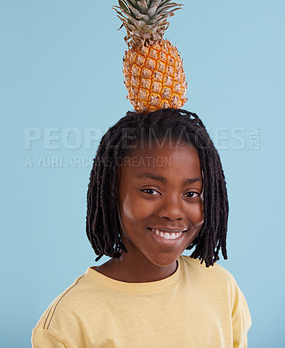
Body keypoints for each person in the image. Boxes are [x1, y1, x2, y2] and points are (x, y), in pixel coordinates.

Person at [32, 108, 251, 348]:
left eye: (191, 194)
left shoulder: (221, 288)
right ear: (111, 194)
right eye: (150, 191)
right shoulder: (69, 321)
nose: (173, 211)